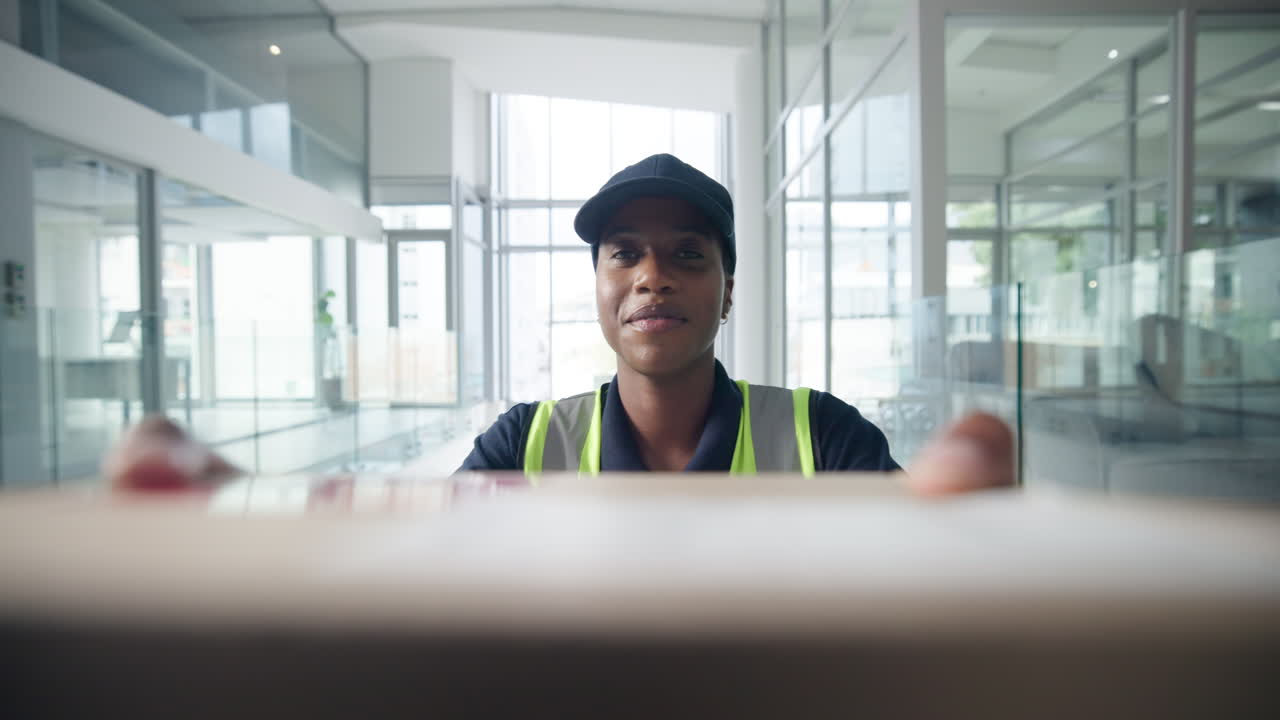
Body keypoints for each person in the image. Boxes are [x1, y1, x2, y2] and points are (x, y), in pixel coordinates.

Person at [106, 154, 1014, 496]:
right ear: (597, 285)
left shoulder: (824, 435)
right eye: (624, 253)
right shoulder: (525, 441)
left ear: (729, 289)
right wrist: (252, 513)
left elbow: (928, 565)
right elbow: (414, 565)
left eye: (687, 254)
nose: (652, 276)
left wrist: (969, 532)